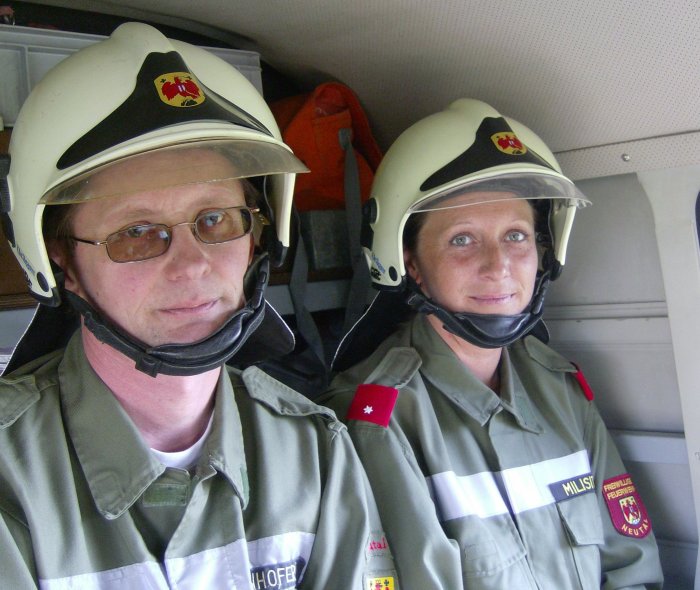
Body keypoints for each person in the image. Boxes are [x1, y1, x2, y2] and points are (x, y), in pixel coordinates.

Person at [0, 22, 404, 589]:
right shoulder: (10, 480)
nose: (192, 265)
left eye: (215, 219)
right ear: (59, 259)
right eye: (136, 232)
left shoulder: (315, 451)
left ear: (260, 238)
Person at [321, 98, 664, 588]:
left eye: (516, 236)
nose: (499, 265)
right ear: (410, 262)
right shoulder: (375, 422)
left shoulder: (562, 390)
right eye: (462, 239)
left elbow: (631, 566)